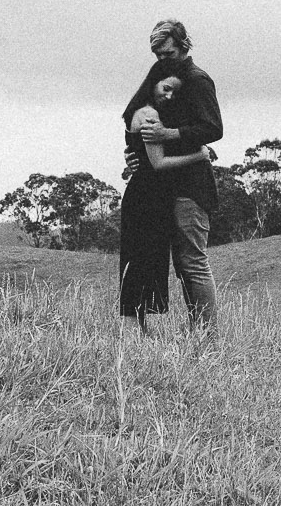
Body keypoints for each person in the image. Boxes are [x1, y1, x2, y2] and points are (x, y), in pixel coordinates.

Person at [121, 18, 223, 331]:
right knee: (177, 264)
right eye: (156, 55)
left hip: (191, 186)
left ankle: (206, 340)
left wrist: (168, 134)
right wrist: (135, 152)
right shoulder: (161, 75)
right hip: (161, 186)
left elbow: (213, 129)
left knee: (192, 262)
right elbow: (133, 115)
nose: (162, 61)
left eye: (167, 53)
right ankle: (196, 334)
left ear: (182, 45)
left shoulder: (196, 79)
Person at [117, 75, 210, 328]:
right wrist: (200, 155)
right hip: (146, 198)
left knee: (146, 263)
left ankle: (138, 332)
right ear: (152, 83)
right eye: (166, 88)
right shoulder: (148, 115)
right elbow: (158, 163)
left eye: (175, 93)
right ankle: (131, 333)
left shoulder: (147, 113)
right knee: (139, 263)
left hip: (152, 197)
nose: (169, 96)